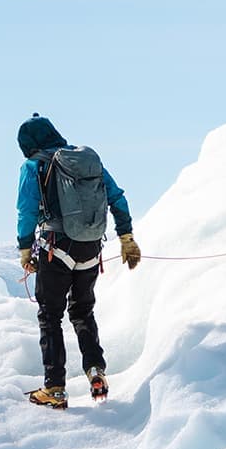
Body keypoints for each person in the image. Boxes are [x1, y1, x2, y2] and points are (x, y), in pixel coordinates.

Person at [16, 114, 139, 409]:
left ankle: (55, 387)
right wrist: (126, 237)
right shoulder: (86, 161)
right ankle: (96, 370)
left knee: (50, 316)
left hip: (55, 248)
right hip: (90, 248)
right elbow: (117, 197)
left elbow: (26, 211)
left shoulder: (34, 166)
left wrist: (24, 248)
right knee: (83, 311)